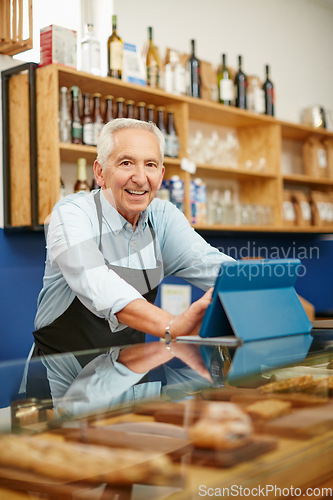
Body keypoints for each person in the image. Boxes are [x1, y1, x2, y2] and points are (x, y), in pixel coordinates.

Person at [25, 118, 234, 403]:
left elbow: (217, 268)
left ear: (160, 175)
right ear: (100, 172)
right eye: (126, 163)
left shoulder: (163, 218)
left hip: (128, 376)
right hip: (59, 386)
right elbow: (97, 282)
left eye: (150, 165)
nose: (139, 177)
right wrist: (172, 325)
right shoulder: (72, 214)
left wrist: (259, 289)